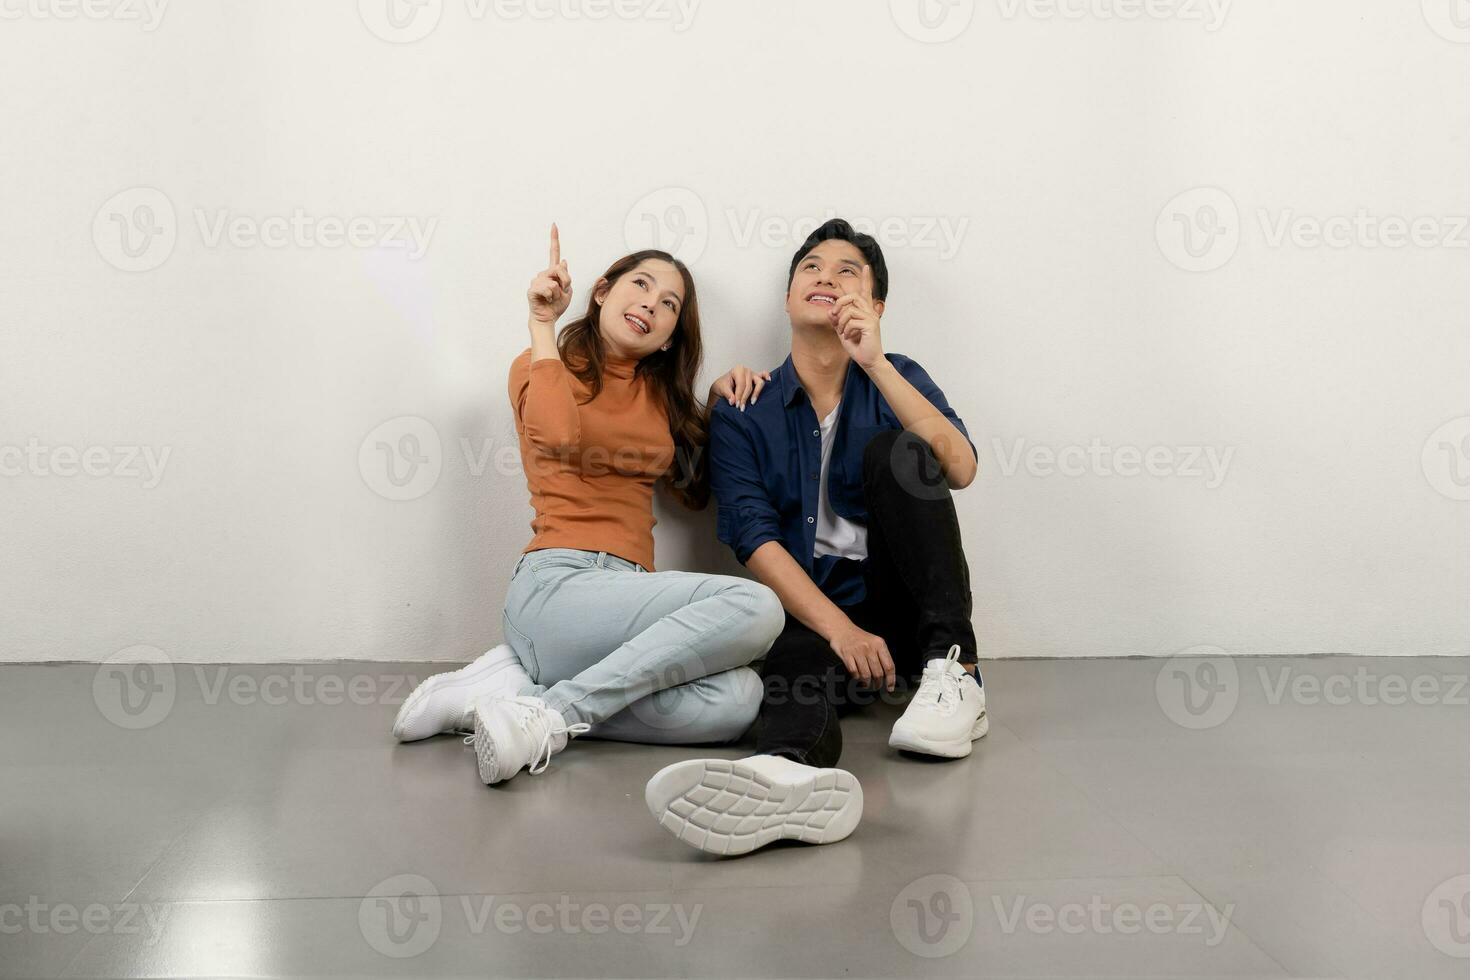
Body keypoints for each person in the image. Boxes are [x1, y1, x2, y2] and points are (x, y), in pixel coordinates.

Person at [393, 226, 785, 785]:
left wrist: (719, 403)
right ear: (602, 291)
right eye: (641, 284)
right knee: (759, 608)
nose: (651, 302)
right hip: (556, 585)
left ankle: (519, 692)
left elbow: (697, 494)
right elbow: (553, 434)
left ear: (673, 335)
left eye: (669, 303)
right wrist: (542, 324)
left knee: (740, 699)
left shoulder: (663, 399)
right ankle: (551, 717)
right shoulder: (540, 365)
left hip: (626, 606)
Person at [646, 219, 986, 855]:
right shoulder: (745, 406)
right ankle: (782, 777)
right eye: (811, 268)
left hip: (904, 617)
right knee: (793, 666)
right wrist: (839, 630)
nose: (825, 276)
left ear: (875, 305)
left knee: (899, 450)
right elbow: (753, 538)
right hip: (819, 613)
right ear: (787, 298)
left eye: (847, 271)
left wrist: (876, 362)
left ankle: (956, 669)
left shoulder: (900, 375)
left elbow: (961, 468)